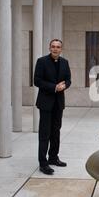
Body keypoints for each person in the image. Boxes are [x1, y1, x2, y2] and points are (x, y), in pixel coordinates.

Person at [34, 39, 72, 175]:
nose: (55, 49)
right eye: (53, 47)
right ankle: (43, 163)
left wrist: (65, 85)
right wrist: (54, 87)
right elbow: (37, 80)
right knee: (44, 134)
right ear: (49, 48)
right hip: (45, 103)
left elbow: (68, 80)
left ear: (61, 49)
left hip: (58, 104)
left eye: (58, 47)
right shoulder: (42, 61)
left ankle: (53, 158)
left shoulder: (65, 62)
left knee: (56, 132)